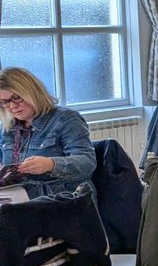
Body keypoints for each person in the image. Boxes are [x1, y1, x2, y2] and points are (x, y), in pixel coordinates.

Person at [0, 67, 96, 198]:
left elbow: (87, 162)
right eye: (5, 102)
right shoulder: (6, 127)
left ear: (32, 93)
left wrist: (51, 164)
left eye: (16, 98)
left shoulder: (66, 119)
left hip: (62, 199)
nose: (12, 106)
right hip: (20, 198)